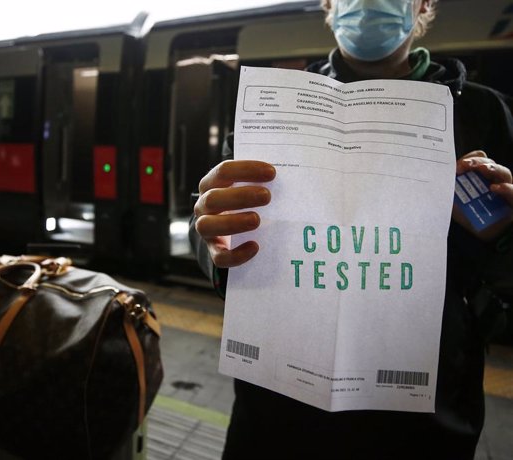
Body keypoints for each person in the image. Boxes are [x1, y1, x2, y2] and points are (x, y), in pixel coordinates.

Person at [189, 0, 513, 458]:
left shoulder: (485, 114)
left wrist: (502, 237)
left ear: (422, 4)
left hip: (425, 415)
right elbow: (210, 224)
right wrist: (211, 238)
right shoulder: (275, 108)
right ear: (327, 4)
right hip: (280, 409)